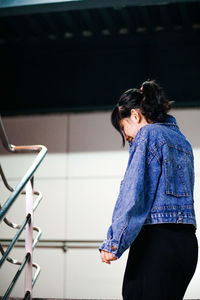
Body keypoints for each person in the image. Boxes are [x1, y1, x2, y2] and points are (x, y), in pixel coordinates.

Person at [99, 79, 198, 300]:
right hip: (187, 247)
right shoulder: (182, 141)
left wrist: (114, 242)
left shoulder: (148, 134)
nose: (128, 138)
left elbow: (133, 194)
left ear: (135, 115)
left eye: (125, 130)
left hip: (157, 244)